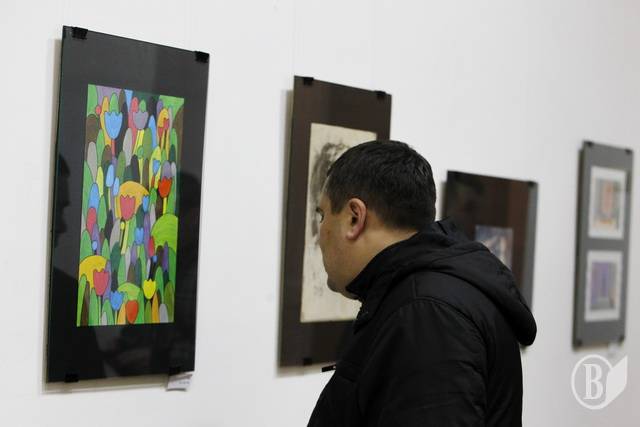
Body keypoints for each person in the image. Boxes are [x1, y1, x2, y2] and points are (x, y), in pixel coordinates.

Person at [307, 140, 537, 426]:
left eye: (322, 215)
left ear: (355, 217)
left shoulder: (427, 312)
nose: (320, 233)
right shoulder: (427, 296)